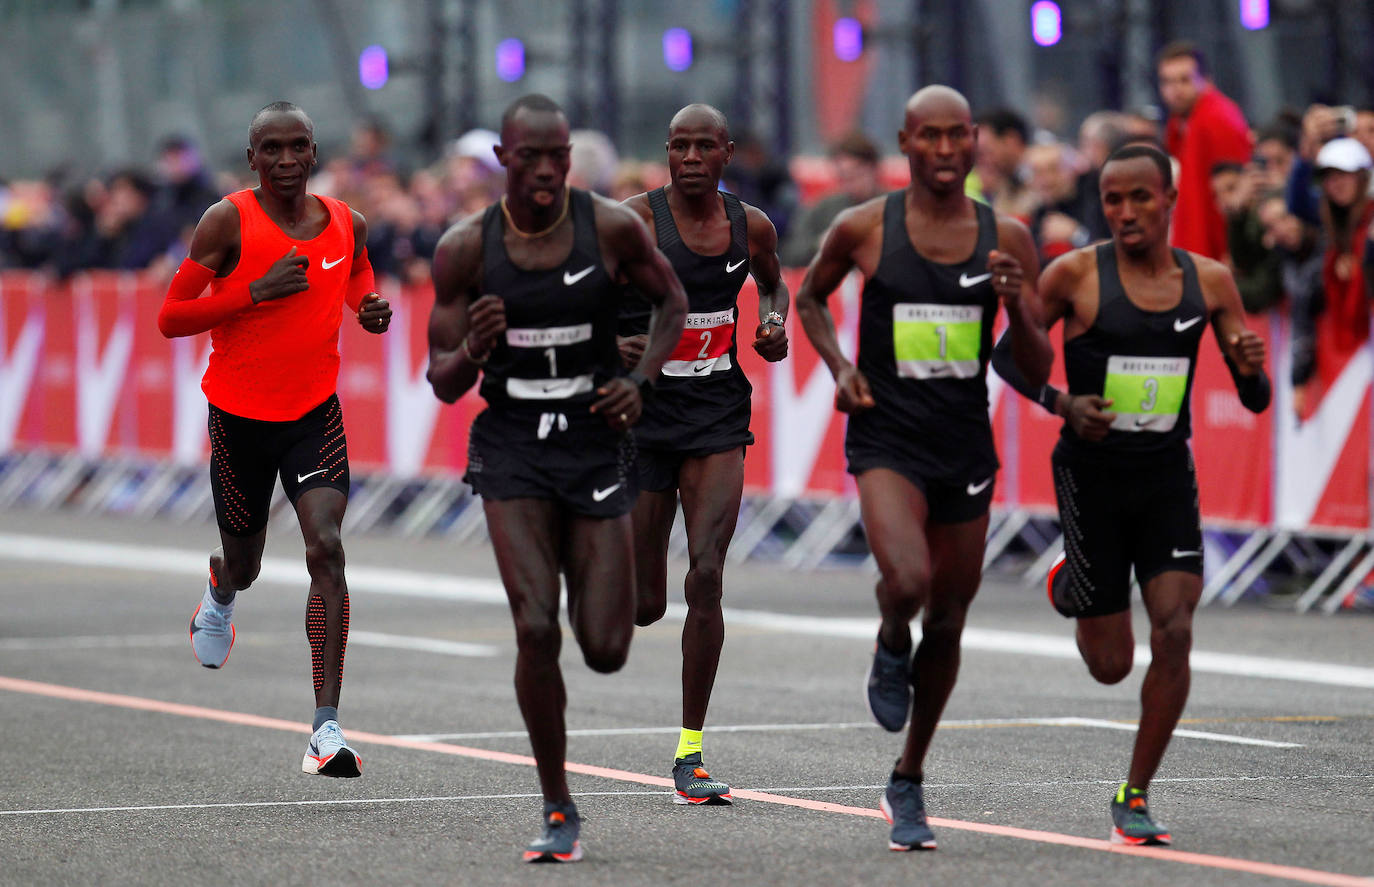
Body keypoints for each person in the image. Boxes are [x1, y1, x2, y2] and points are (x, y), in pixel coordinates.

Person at [425, 94, 687, 863]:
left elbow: (671, 301)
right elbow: (440, 380)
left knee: (606, 646)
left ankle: (592, 581)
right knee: (535, 625)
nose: (545, 170)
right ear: (503, 160)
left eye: (558, 157)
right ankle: (557, 802)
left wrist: (639, 378)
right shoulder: (464, 249)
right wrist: (472, 350)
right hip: (510, 446)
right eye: (530, 157)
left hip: (593, 438)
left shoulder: (610, 227)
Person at [794, 85, 1051, 852]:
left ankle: (907, 777)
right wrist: (840, 367)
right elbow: (809, 300)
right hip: (886, 437)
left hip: (963, 443)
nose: (944, 150)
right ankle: (886, 633)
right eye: (928, 137)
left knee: (949, 613)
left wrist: (1020, 307)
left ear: (975, 141)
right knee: (907, 582)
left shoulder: (1007, 236)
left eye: (956, 137)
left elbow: (1034, 365)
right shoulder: (865, 226)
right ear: (904, 142)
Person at [991, 143, 1271, 845]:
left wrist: (1248, 372)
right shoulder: (1074, 275)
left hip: (1165, 473)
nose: (1124, 212)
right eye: (1112, 200)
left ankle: (1135, 791)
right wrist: (1062, 402)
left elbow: (1257, 396)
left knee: (1175, 627)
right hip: (1090, 474)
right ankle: (1073, 580)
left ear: (1169, 199)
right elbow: (1007, 355)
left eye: (1139, 197)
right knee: (1111, 665)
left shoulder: (1208, 281)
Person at [156, 102, 393, 778]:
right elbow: (172, 317)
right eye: (273, 149)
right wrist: (253, 292)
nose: (287, 160)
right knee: (248, 562)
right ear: (252, 156)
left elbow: (354, 274)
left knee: (327, 544)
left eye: (299, 147)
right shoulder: (226, 220)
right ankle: (222, 590)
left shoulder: (348, 221)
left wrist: (367, 308)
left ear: (315, 151)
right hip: (238, 418)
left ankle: (326, 728)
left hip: (314, 414)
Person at [616, 103, 790, 805]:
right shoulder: (632, 221)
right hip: (646, 419)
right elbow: (584, 295)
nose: (690, 157)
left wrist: (772, 318)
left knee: (708, 573)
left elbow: (773, 281)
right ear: (666, 152)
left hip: (718, 411)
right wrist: (614, 350)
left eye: (704, 147)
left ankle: (691, 750)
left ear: (726, 154)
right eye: (679, 146)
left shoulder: (752, 225)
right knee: (645, 603)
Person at [1157, 40, 1251, 259]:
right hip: (1194, 250)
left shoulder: (1218, 119)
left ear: (1206, 80)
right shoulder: (1182, 122)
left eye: (1184, 80)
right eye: (1167, 82)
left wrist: (1229, 253)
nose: (1175, 90)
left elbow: (1231, 195)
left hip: (1214, 255)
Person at [779, 130, 883, 266]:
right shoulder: (823, 209)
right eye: (843, 177)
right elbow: (788, 253)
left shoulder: (898, 206)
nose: (850, 185)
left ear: (873, 169)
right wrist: (819, 244)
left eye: (856, 175)